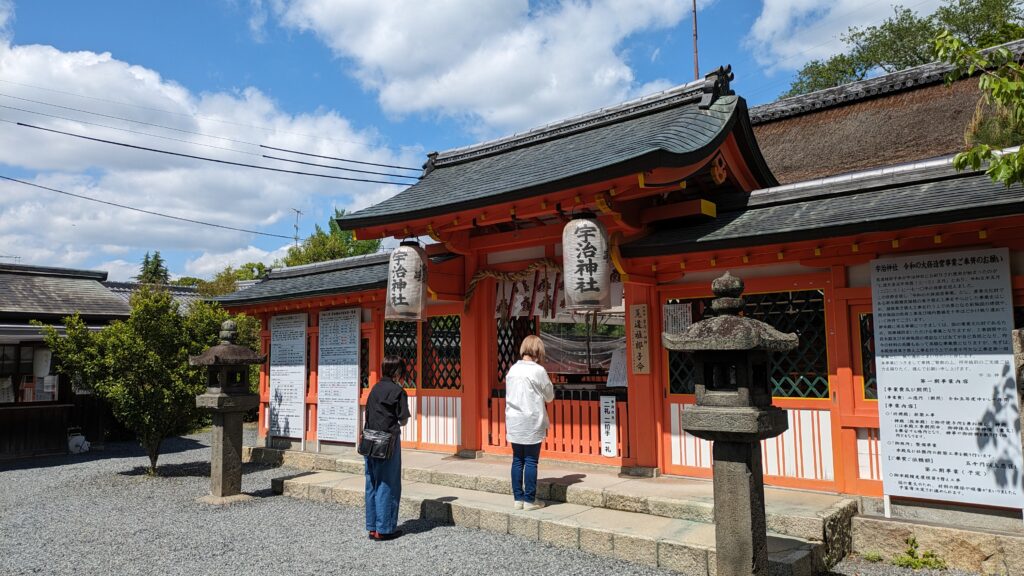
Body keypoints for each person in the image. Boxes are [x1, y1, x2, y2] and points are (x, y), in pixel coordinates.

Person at [504, 334, 555, 510]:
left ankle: (518, 498)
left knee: (518, 459)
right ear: (538, 351)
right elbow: (549, 397)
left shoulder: (513, 370)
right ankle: (530, 499)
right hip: (531, 419)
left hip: (514, 419)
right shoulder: (538, 371)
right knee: (531, 460)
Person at [364, 354, 411, 541]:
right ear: (398, 371)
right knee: (388, 483)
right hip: (388, 441)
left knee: (372, 483)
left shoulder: (374, 388)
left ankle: (372, 526)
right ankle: (385, 529)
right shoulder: (398, 391)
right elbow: (403, 419)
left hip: (369, 439)